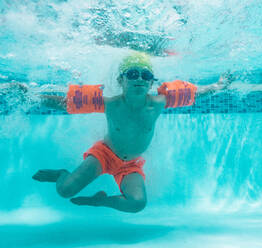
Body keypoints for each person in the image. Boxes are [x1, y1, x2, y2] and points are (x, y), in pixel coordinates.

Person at [31, 52, 232, 213]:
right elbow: (66, 104)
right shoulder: (111, 104)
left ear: (151, 83)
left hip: (131, 164)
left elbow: (194, 95)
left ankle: (100, 202)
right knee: (66, 190)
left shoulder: (159, 103)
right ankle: (62, 174)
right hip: (104, 154)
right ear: (121, 80)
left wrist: (219, 86)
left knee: (137, 204)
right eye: (132, 74)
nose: (139, 79)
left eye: (145, 75)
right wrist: (32, 96)